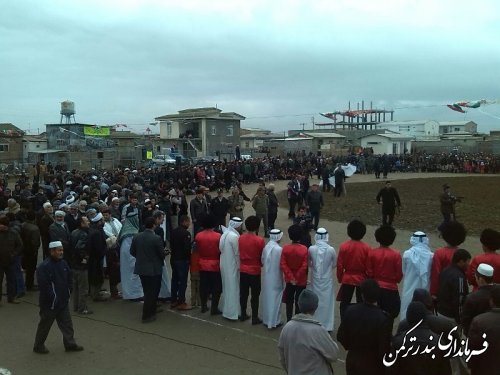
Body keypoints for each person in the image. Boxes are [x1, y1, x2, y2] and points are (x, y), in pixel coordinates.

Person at [33, 241, 84, 354]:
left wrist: (68, 291)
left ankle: (70, 344)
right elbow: (45, 287)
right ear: (52, 251)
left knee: (67, 325)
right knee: (45, 326)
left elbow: (69, 277)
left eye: (62, 250)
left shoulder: (63, 263)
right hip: (49, 304)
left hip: (63, 301)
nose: (61, 252)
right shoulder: (44, 267)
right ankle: (38, 346)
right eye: (58, 250)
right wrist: (54, 299)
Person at [337, 279, 392, 375]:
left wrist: (351, 347)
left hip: (353, 359)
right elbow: (384, 347)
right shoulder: (383, 318)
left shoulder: (350, 311)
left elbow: (341, 336)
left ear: (362, 295)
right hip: (374, 364)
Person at [278, 289, 339, 375]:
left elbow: (282, 357)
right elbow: (333, 354)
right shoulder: (318, 330)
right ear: (316, 307)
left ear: (299, 305)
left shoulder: (287, 327)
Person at [390, 301, 452, 375]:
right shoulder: (439, 343)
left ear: (408, 318)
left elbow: (391, 370)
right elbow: (446, 371)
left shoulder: (398, 343)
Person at [130, 217, 165, 323]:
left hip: (141, 267)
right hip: (153, 269)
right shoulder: (156, 238)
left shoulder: (137, 237)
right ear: (154, 225)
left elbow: (132, 251)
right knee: (152, 292)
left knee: (147, 290)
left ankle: (151, 310)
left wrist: (141, 258)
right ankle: (147, 315)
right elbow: (161, 254)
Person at [336, 219, 371, 319]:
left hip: (347, 277)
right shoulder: (367, 248)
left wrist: (340, 278)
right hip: (361, 278)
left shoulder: (344, 246)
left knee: (345, 302)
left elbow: (339, 265)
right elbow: (368, 267)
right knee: (362, 302)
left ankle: (344, 321)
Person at [367, 225, 403, 320]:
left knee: (374, 316)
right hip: (391, 289)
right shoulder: (396, 254)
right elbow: (399, 275)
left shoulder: (372, 253)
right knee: (389, 316)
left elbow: (369, 272)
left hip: (375, 287)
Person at [307, 228, 336, 332]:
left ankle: (315, 321)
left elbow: (309, 263)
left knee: (315, 300)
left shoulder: (311, 249)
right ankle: (327, 325)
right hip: (327, 279)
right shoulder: (331, 249)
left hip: (315, 279)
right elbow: (334, 264)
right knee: (327, 301)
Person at [467, 285, 500, 375]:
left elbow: (472, 347)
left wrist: (470, 366)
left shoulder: (479, 321)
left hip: (484, 369)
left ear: (491, 301)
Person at [238, 215, 265, 324]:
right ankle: (254, 317)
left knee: (243, 293)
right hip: (255, 269)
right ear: (257, 227)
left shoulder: (240, 238)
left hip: (243, 268)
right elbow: (261, 256)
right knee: (255, 295)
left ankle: (243, 313)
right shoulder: (260, 240)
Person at [400, 231, 433, 319]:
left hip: (409, 285)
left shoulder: (407, 254)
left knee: (406, 306)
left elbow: (403, 270)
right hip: (425, 287)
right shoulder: (431, 256)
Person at [430, 221, 467, 298]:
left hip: (443, 289)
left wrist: (433, 292)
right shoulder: (462, 253)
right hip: (458, 289)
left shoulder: (439, 253)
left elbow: (435, 274)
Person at [195, 213, 222, 314]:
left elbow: (196, 249)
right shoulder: (218, 236)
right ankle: (214, 308)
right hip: (215, 264)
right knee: (216, 287)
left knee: (203, 286)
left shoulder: (199, 235)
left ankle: (203, 306)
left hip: (202, 263)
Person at [280, 224, 309, 321]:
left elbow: (283, 264)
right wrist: (296, 277)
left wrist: (291, 278)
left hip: (289, 279)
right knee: (299, 301)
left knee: (289, 300)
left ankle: (289, 319)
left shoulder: (285, 248)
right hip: (301, 279)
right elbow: (304, 266)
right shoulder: (304, 249)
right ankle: (297, 319)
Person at [437, 248, 471, 325]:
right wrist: (460, 319)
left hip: (440, 312)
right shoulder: (460, 277)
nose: (469, 264)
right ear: (461, 261)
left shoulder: (445, 270)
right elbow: (459, 299)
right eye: (468, 261)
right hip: (451, 317)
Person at [219, 217, 243, 320]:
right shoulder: (233, 237)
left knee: (227, 288)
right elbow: (237, 254)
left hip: (224, 264)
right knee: (233, 289)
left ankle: (228, 311)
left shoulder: (225, 234)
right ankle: (232, 313)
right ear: (237, 226)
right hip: (232, 265)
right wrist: (239, 266)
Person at [462, 263, 495, 335]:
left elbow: (465, 321)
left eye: (476, 277)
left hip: (476, 336)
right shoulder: (497, 293)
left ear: (481, 279)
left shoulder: (472, 298)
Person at [261, 228, 284, 329]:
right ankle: (275, 321)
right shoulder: (279, 249)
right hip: (276, 277)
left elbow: (262, 260)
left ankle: (267, 319)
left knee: (267, 298)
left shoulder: (266, 247)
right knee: (276, 299)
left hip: (267, 277)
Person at [118, 211, 143, 300]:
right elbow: (132, 249)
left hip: (127, 257)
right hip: (130, 258)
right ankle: (134, 295)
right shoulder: (131, 233)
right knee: (133, 275)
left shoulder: (127, 230)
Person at [69, 216, 92, 315]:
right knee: (83, 288)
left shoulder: (73, 232)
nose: (89, 222)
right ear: (82, 223)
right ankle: (82, 308)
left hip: (73, 264)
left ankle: (76, 306)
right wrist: (85, 258)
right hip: (81, 265)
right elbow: (80, 248)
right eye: (87, 221)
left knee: (76, 287)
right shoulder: (84, 234)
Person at [169, 215, 193, 310]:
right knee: (183, 281)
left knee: (174, 280)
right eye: (188, 222)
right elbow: (187, 248)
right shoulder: (186, 233)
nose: (189, 223)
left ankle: (173, 300)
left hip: (174, 258)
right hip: (182, 260)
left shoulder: (174, 232)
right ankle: (181, 302)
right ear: (184, 222)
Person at [0, 215, 23, 304]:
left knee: (11, 280)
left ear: (6, 225)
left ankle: (11, 297)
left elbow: (20, 245)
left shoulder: (13, 233)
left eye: (2, 225)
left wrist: (13, 254)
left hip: (10, 261)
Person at [20, 210, 41, 291]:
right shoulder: (34, 229)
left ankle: (28, 284)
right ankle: (30, 285)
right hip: (31, 252)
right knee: (31, 269)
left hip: (24, 250)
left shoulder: (23, 225)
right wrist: (35, 251)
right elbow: (35, 243)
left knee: (27, 268)